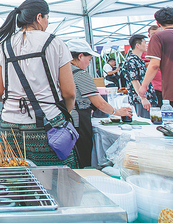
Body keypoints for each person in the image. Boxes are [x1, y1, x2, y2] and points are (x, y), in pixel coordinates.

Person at [0, 0, 77, 167]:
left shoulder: (3, 46)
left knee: (17, 181)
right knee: (55, 182)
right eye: (47, 18)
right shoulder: (55, 43)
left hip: (10, 125)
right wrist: (62, 114)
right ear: (39, 17)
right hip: (48, 123)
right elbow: (69, 93)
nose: (47, 23)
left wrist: (15, 103)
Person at [67, 39, 133, 168]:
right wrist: (117, 112)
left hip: (66, 119)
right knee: (83, 154)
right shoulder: (79, 74)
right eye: (89, 59)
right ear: (80, 56)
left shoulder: (61, 72)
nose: (89, 63)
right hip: (79, 119)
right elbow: (99, 103)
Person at [121, 34, 157, 119]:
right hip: (140, 100)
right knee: (145, 123)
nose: (146, 45)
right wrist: (142, 98)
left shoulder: (139, 60)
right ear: (138, 45)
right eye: (144, 42)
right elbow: (134, 81)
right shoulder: (131, 61)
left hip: (147, 98)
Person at [145, 25, 163, 107]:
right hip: (154, 85)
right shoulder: (146, 49)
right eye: (153, 34)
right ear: (149, 36)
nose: (156, 36)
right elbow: (142, 65)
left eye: (158, 34)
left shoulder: (166, 46)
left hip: (170, 85)